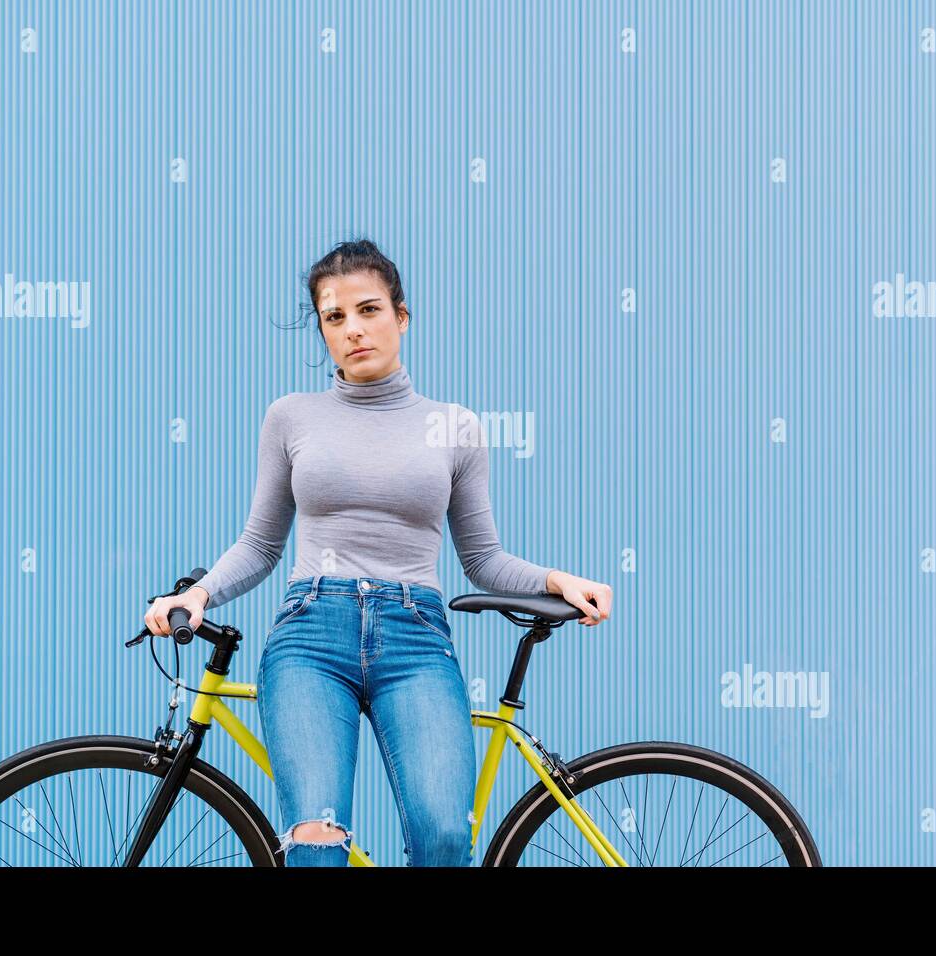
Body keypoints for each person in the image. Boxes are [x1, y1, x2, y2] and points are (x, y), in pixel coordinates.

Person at [144, 238, 613, 866]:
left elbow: (483, 558)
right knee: (315, 841)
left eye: (369, 310)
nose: (354, 330)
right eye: (334, 318)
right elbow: (260, 544)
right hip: (310, 637)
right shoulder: (291, 417)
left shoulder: (455, 426)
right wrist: (198, 594)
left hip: (415, 640)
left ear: (402, 316)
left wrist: (559, 579)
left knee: (446, 837)